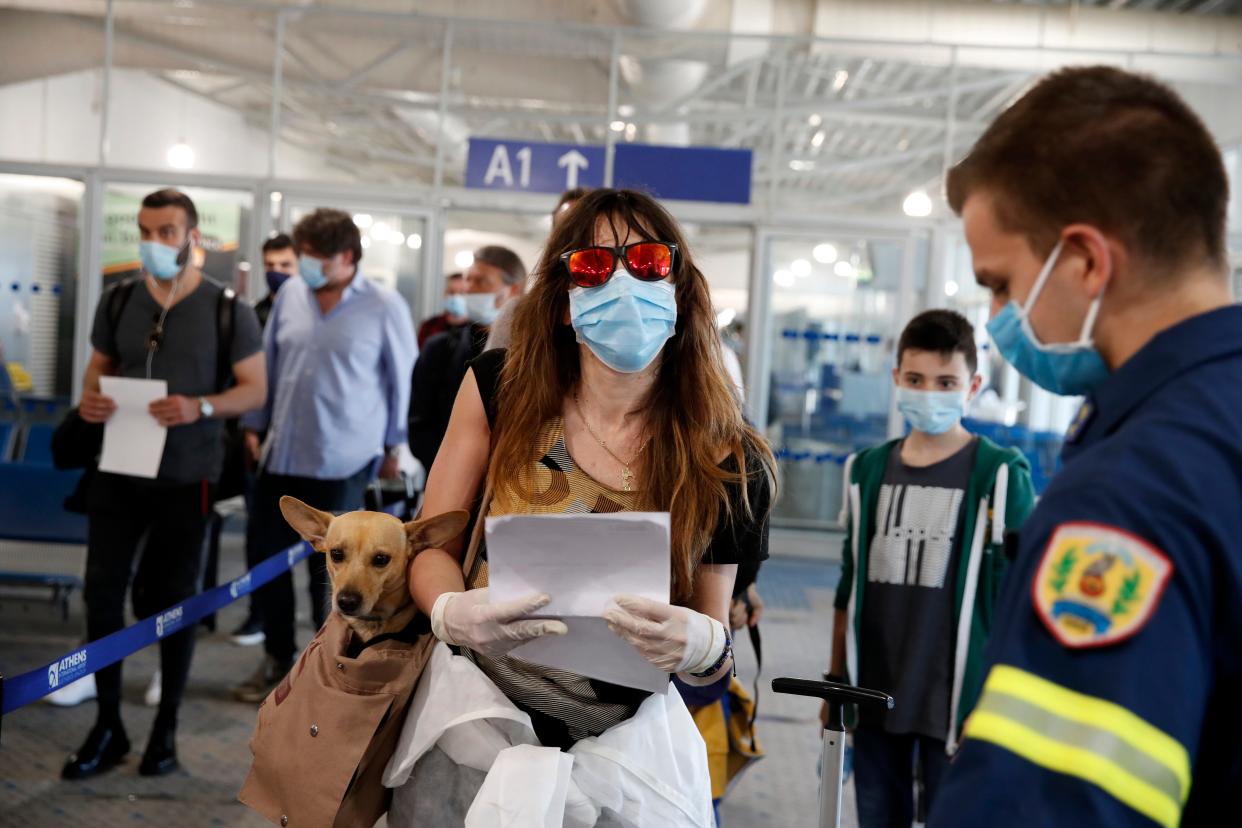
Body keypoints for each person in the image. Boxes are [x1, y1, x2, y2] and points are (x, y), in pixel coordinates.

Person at [388, 188, 776, 824]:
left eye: (648, 261)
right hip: (469, 725)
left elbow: (713, 649)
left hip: (622, 761)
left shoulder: (729, 457)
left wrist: (703, 646)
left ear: (679, 288)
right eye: (594, 266)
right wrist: (451, 611)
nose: (623, 281)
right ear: (565, 303)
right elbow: (433, 544)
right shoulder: (499, 392)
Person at [927, 66, 1239, 828]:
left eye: (1000, 284)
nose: (996, 316)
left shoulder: (1128, 495)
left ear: (1088, 261)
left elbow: (1050, 806)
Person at [66, 187, 265, 779]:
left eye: (167, 233)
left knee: (174, 601)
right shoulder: (119, 298)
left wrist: (200, 408)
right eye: (146, 232)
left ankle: (165, 730)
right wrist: (91, 402)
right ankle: (108, 725)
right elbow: (95, 373)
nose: (154, 243)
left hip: (187, 475)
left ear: (192, 238)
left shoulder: (229, 308)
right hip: (118, 469)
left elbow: (253, 391)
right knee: (102, 593)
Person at [826, 309, 1035, 827]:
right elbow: (848, 586)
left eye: (947, 383)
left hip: (958, 703)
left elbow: (1020, 602)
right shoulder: (867, 470)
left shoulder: (1000, 476)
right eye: (916, 380)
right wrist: (835, 686)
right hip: (873, 696)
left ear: (973, 386)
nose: (930, 393)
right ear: (896, 379)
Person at [233, 207, 417, 703]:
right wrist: (253, 425)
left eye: (317, 258)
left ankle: (330, 669)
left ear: (347, 258)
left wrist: (394, 446)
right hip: (281, 456)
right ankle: (275, 656)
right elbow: (268, 364)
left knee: (343, 573)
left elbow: (403, 379)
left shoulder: (383, 306)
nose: (306, 266)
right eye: (303, 256)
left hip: (345, 458)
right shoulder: (290, 294)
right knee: (265, 564)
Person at [226, 233, 299, 648]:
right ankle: (259, 618)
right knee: (262, 538)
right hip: (261, 445)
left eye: (286, 266)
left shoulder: (305, 314)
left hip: (302, 449)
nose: (277, 273)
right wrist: (250, 429)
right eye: (271, 265)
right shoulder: (252, 315)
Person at [407, 244, 525, 472]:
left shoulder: (534, 352)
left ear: (513, 289)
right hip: (446, 474)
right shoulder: (440, 348)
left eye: (481, 282)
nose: (468, 289)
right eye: (468, 280)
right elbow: (419, 425)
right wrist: (455, 472)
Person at [484, 186, 589, 351]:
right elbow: (491, 373)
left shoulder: (621, 309)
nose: (575, 241)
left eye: (585, 230)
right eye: (564, 231)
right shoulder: (519, 314)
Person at [255, 233, 298, 329]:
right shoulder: (255, 316)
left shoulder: (312, 312)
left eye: (285, 265)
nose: (276, 270)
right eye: (270, 265)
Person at [417, 271, 468, 348]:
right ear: (444, 293)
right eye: (451, 292)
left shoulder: (476, 330)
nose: (456, 297)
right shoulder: (429, 326)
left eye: (462, 293)